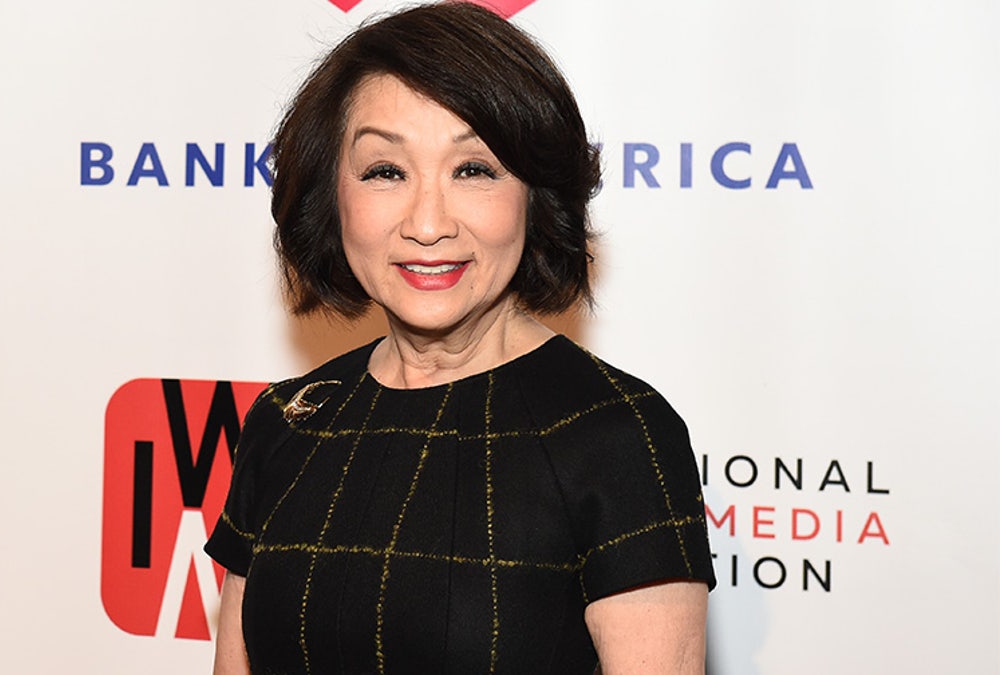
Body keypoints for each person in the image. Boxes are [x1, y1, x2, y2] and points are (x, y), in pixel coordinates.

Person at [205, 3, 716, 673]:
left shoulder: (616, 435)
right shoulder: (287, 423)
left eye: (473, 169)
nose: (427, 223)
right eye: (385, 170)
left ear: (535, 195)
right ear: (333, 196)